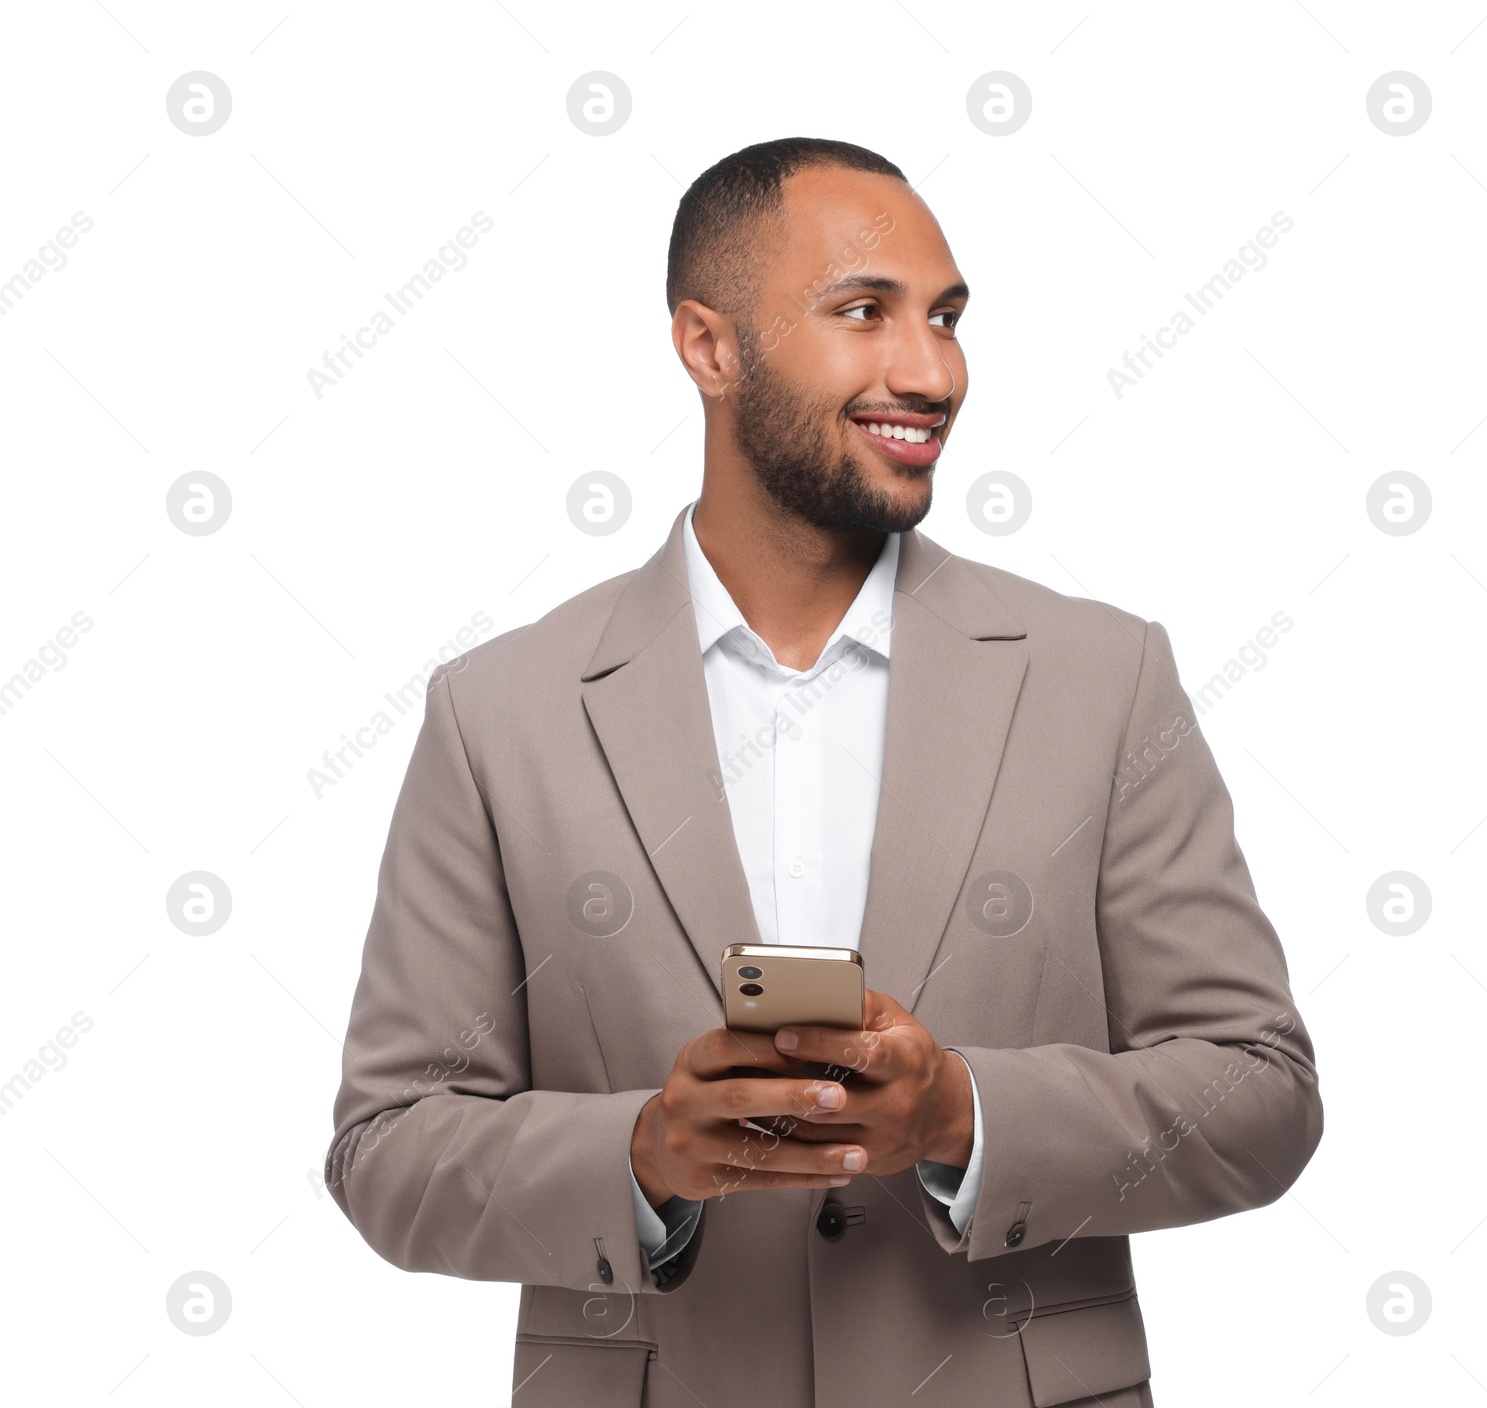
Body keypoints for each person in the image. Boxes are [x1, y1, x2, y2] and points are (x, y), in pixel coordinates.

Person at [326, 137, 1323, 1408]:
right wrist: (642, 1152)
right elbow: (387, 1148)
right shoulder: (498, 711)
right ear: (708, 347)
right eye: (865, 312)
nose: (931, 371)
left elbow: (1260, 1092)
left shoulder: (1103, 675)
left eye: (947, 319)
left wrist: (961, 1117)